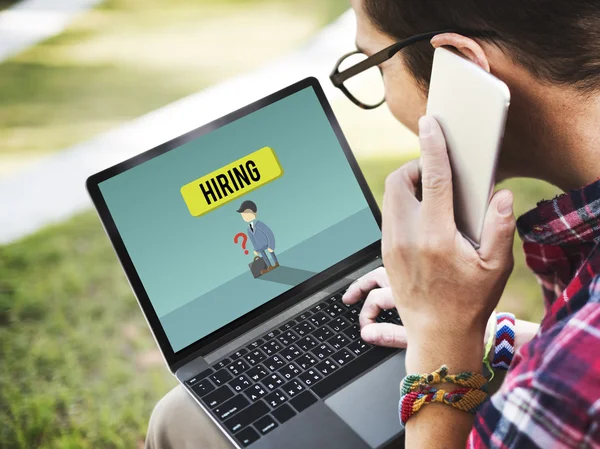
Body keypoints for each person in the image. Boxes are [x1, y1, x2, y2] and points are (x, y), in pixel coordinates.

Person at [145, 0, 600, 447]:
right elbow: (567, 350)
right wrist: (482, 334)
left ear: (464, 69)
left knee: (176, 420)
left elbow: (569, 377)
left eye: (375, 66)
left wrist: (441, 345)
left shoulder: (567, 393)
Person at [236, 200, 279, 275]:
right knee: (264, 255)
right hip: (259, 247)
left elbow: (269, 233)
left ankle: (276, 263)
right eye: (243, 215)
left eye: (247, 213)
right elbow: (252, 240)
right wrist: (255, 249)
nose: (246, 216)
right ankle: (269, 266)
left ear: (255, 213)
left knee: (270, 252)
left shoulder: (259, 224)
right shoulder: (249, 229)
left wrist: (271, 245)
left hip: (266, 243)